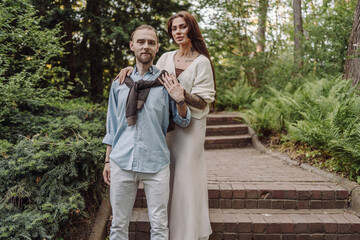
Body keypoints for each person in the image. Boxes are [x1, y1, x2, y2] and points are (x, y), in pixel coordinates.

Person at [116, 11, 216, 240]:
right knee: (168, 178)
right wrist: (128, 70)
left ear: (192, 29)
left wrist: (182, 95)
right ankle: (166, 231)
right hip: (168, 126)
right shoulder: (166, 58)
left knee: (186, 178)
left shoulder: (202, 62)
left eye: (182, 27)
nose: (178, 32)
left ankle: (187, 234)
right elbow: (149, 76)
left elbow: (204, 100)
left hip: (191, 130)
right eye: (174, 28)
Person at [102, 24, 191, 240]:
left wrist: (180, 100)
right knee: (118, 225)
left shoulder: (166, 81)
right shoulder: (119, 83)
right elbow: (112, 126)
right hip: (122, 160)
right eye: (141, 42)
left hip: (156, 163)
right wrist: (107, 161)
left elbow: (183, 120)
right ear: (132, 46)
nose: (146, 46)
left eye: (151, 42)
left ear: (157, 48)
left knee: (160, 226)